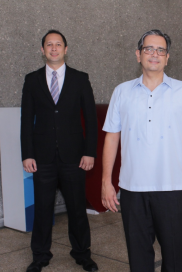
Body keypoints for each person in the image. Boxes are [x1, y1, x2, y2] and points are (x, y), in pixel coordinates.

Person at [101, 29, 182, 272]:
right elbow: (111, 139)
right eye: (149, 49)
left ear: (167, 57)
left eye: (161, 50)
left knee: (174, 257)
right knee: (138, 259)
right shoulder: (121, 91)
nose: (154, 54)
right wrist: (106, 181)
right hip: (132, 190)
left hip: (172, 189)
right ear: (138, 54)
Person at [21, 30, 98, 272]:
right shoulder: (31, 80)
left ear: (66, 49)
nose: (54, 48)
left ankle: (82, 253)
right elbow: (26, 121)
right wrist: (27, 154)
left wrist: (90, 152)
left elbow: (91, 119)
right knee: (42, 210)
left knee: (77, 209)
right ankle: (41, 255)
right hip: (41, 158)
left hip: (74, 157)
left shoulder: (80, 79)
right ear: (42, 50)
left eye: (58, 44)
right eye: (49, 45)